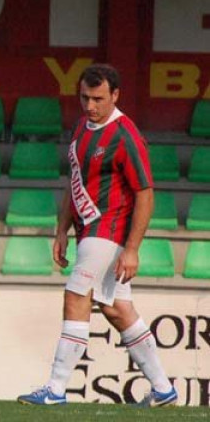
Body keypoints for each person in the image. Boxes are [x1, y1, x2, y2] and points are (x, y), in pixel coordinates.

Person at [17, 64, 177, 407]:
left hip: (109, 230)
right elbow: (74, 182)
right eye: (85, 97)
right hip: (86, 231)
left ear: (115, 95)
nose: (90, 105)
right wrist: (61, 229)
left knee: (76, 296)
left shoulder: (125, 136)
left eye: (98, 99)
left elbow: (145, 193)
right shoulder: (82, 127)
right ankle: (163, 388)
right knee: (117, 308)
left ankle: (56, 390)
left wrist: (132, 249)